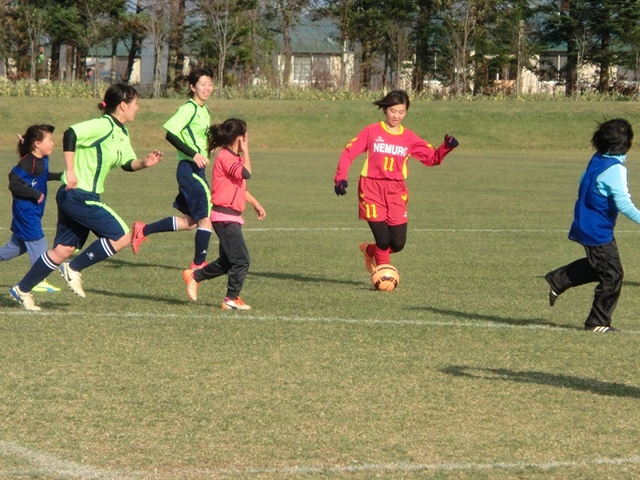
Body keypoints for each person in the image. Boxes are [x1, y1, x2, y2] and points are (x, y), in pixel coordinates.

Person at [9, 83, 163, 311]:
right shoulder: (102, 125)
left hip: (79, 196)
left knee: (63, 250)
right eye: (135, 103)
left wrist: (144, 163)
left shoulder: (122, 132)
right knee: (122, 236)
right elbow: (71, 133)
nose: (137, 108)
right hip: (79, 195)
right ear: (122, 105)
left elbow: (127, 164)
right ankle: (74, 268)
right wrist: (70, 170)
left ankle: (21, 289)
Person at [334, 89, 459, 274]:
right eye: (393, 111)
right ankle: (383, 275)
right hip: (371, 189)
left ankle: (369, 251)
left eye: (401, 112)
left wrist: (446, 147)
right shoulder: (372, 131)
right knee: (383, 240)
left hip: (396, 191)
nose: (396, 116)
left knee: (398, 243)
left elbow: (431, 158)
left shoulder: (409, 138)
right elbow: (349, 152)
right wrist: (341, 178)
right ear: (385, 110)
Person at [545, 118, 638, 333]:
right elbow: (624, 203)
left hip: (586, 222)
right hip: (597, 230)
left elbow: (583, 181)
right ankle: (597, 322)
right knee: (613, 275)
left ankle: (558, 279)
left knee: (602, 266)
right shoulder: (616, 169)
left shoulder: (597, 159)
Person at [131, 68, 214, 270]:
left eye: (210, 84)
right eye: (202, 84)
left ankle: (143, 230)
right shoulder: (189, 108)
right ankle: (198, 264)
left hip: (196, 169)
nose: (207, 88)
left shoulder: (204, 110)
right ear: (192, 87)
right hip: (189, 168)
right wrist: (194, 154)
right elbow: (170, 134)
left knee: (192, 222)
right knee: (207, 216)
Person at [182, 118, 265, 310]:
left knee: (227, 262)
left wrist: (255, 203)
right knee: (242, 260)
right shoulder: (226, 157)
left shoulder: (233, 158)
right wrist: (246, 151)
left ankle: (194, 276)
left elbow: (239, 187)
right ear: (239, 137)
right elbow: (246, 174)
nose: (247, 139)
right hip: (224, 217)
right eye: (245, 135)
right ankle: (231, 299)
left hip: (231, 215)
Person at [1, 125, 61, 293]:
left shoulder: (43, 159)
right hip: (26, 213)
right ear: (37, 143)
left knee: (15, 248)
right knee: (38, 241)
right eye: (49, 140)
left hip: (34, 211)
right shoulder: (28, 162)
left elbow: (42, 175)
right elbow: (14, 182)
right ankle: (39, 279)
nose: (53, 143)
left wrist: (59, 176)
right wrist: (34, 193)